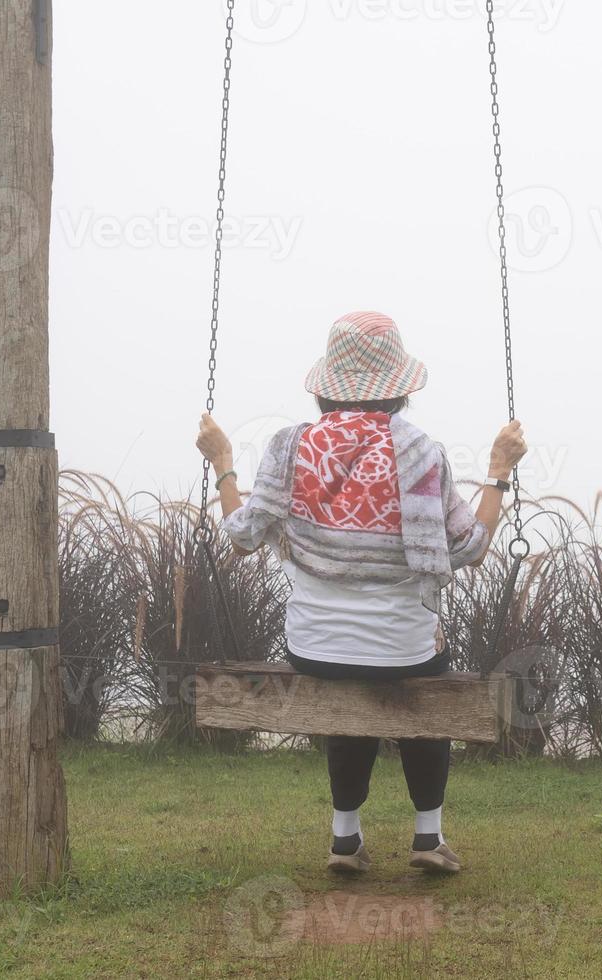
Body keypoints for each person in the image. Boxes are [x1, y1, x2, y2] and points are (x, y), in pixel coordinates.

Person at [195, 311, 527, 876]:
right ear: (398, 388)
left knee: (347, 680)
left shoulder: (289, 445)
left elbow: (244, 536)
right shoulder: (422, 452)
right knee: (428, 677)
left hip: (311, 644)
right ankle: (428, 836)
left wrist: (223, 464)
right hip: (403, 648)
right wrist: (498, 471)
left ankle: (345, 840)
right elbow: (470, 547)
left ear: (327, 387)